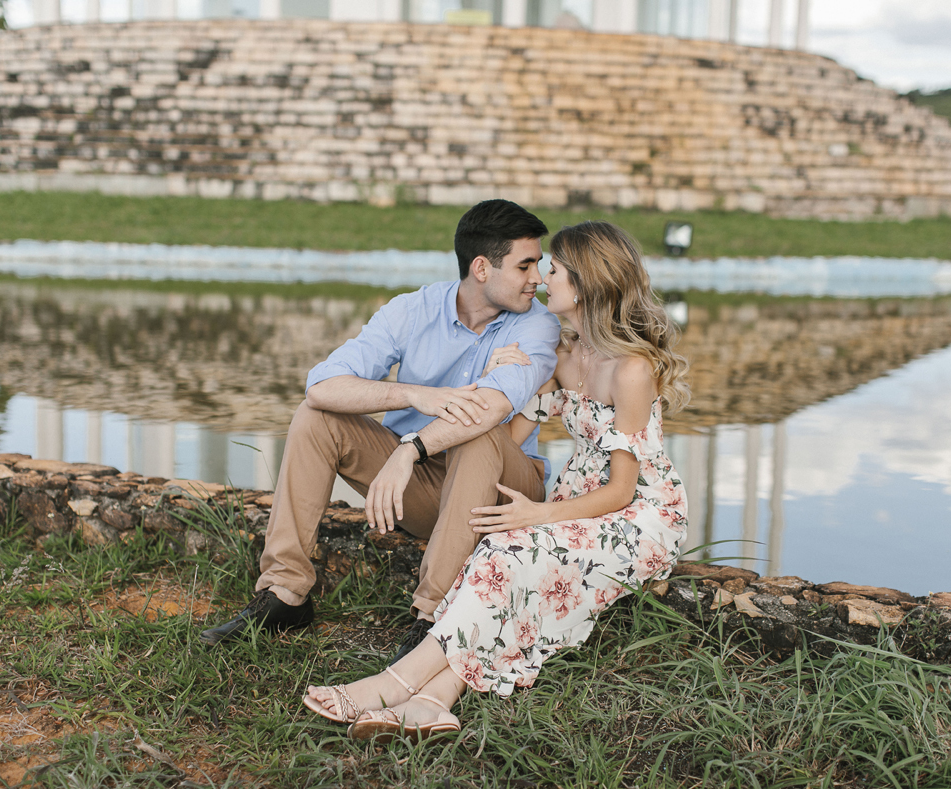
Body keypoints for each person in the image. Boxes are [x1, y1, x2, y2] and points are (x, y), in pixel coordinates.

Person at [303, 220, 691, 740]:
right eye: (538, 266)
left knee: (510, 552)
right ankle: (435, 703)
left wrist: (536, 515)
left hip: (637, 517)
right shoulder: (563, 358)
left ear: (587, 284)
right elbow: (502, 440)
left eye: (554, 269)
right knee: (496, 552)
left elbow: (623, 490)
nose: (542, 279)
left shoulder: (632, 369)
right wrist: (496, 373)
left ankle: (396, 681)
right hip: (577, 503)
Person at [200, 199, 561, 661]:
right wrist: (413, 395)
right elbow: (322, 385)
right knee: (316, 418)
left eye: (539, 265)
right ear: (482, 268)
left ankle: (432, 616)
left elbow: (489, 409)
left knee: (479, 433)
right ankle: (285, 594)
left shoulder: (537, 325)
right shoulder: (413, 310)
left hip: (503, 494)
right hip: (430, 493)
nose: (537, 278)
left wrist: (409, 448)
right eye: (525, 265)